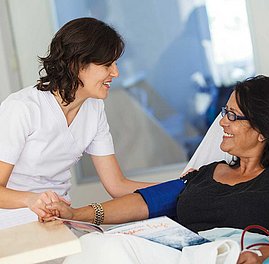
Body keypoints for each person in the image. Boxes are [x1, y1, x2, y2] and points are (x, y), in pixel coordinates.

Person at [47, 75, 269, 264]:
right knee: (94, 246)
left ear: (263, 129)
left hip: (228, 254)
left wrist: (264, 251)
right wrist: (75, 214)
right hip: (178, 253)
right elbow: (148, 202)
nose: (222, 123)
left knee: (106, 250)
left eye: (233, 116)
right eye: (225, 112)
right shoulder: (208, 173)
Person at [0, 17, 154, 225]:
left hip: (58, 219)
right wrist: (31, 200)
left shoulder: (94, 108)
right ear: (76, 64)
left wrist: (180, 186)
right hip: (13, 222)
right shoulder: (22, 107)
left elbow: (117, 185)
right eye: (108, 64)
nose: (115, 73)